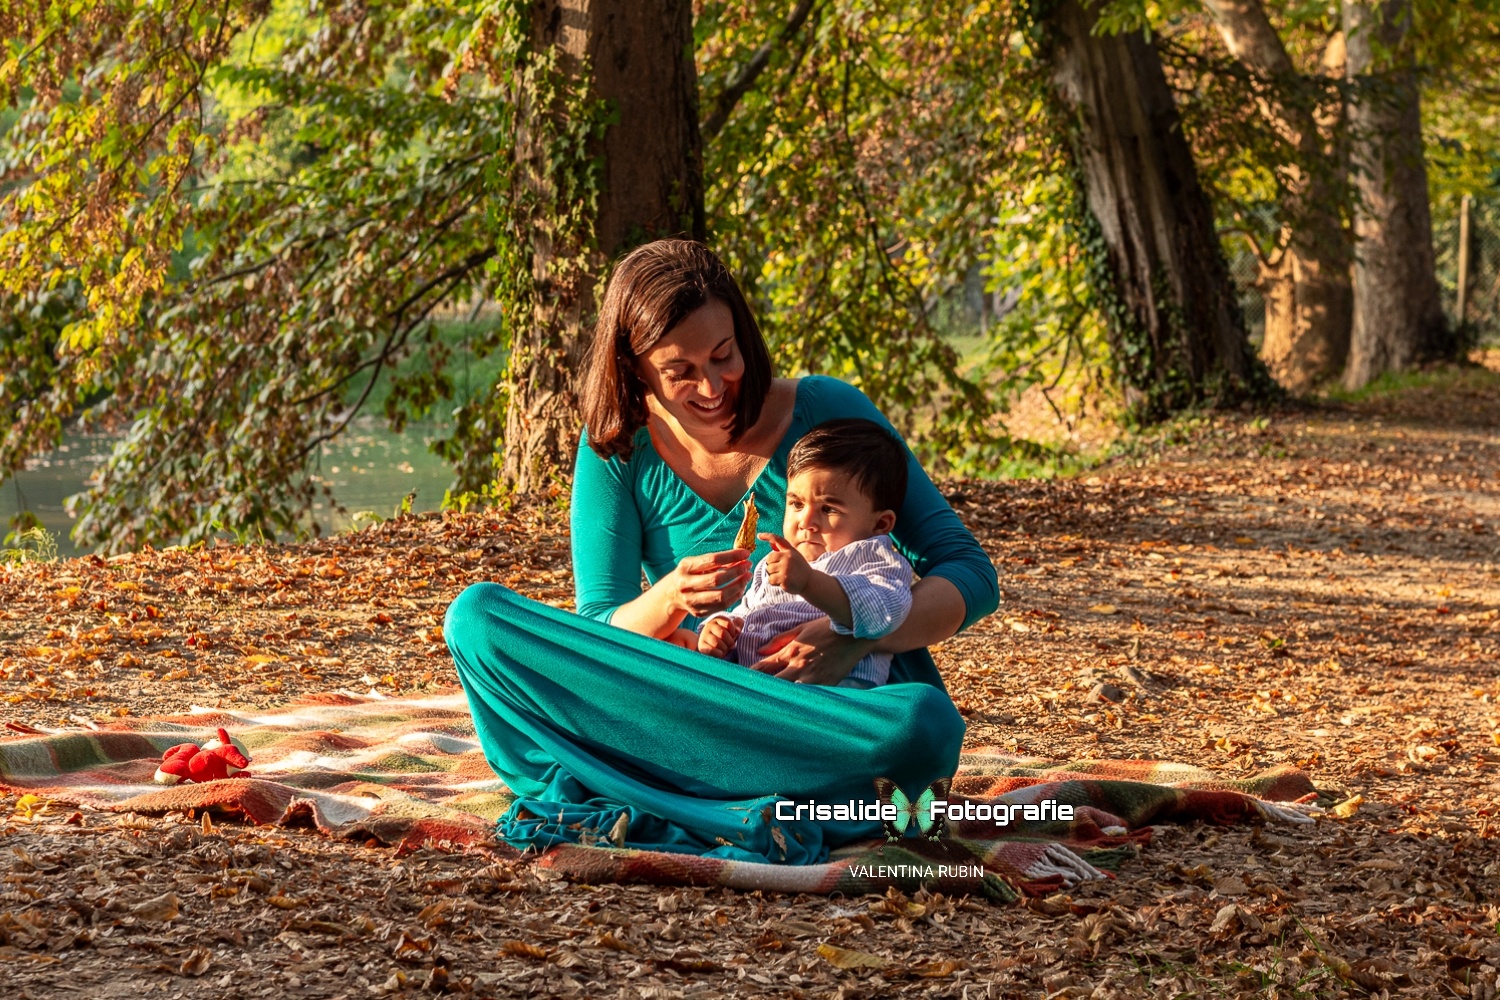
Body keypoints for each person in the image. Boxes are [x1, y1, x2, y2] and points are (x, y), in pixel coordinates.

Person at [443, 239, 998, 864]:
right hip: (694, 700)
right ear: (634, 368)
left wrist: (855, 637)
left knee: (923, 722)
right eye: (680, 370)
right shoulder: (615, 449)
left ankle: (662, 798)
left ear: (743, 337)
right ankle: (746, 805)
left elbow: (969, 572)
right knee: (477, 618)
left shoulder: (825, 412)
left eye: (723, 355)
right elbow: (600, 628)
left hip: (824, 717)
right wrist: (670, 597)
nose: (712, 386)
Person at [696, 418, 913, 691]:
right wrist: (721, 630)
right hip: (757, 689)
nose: (806, 520)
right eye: (796, 504)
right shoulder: (773, 563)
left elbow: (885, 612)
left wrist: (809, 582)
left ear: (880, 524)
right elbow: (747, 614)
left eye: (828, 509)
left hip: (833, 692)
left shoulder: (873, 557)